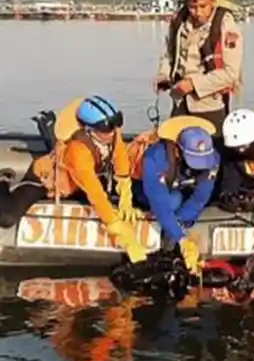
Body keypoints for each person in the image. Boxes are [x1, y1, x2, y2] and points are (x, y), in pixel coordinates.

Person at [0, 96, 147, 264]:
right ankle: (3, 180)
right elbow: (94, 192)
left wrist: (125, 198)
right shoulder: (77, 151)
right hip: (48, 181)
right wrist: (116, 226)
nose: (112, 132)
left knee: (136, 195)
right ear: (89, 130)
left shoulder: (111, 133)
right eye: (106, 128)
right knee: (7, 217)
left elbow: (120, 160)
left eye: (115, 124)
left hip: (83, 181)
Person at [126, 116, 220, 275]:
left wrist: (182, 224)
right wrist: (180, 238)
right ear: (178, 151)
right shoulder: (154, 158)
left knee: (183, 204)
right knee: (172, 201)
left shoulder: (211, 158)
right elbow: (160, 203)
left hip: (182, 187)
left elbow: (200, 197)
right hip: (147, 190)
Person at [153, 0, 243, 131]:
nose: (198, 12)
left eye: (203, 6)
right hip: (180, 102)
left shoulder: (225, 26)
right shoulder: (179, 23)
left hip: (210, 104)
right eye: (193, 7)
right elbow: (169, 54)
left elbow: (231, 73)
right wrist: (163, 76)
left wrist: (193, 84)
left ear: (212, 1)